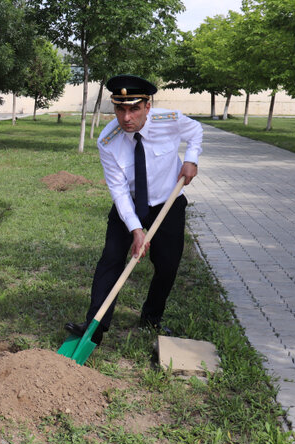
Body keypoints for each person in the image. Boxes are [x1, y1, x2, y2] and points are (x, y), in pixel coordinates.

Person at [65, 74, 203, 343]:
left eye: (134, 109)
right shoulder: (108, 141)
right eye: (120, 109)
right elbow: (118, 190)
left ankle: (151, 318)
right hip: (129, 203)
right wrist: (136, 229)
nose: (126, 117)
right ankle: (95, 327)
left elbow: (196, 131)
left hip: (168, 201)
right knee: (111, 259)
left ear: (147, 107)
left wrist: (191, 159)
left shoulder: (169, 121)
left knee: (167, 265)